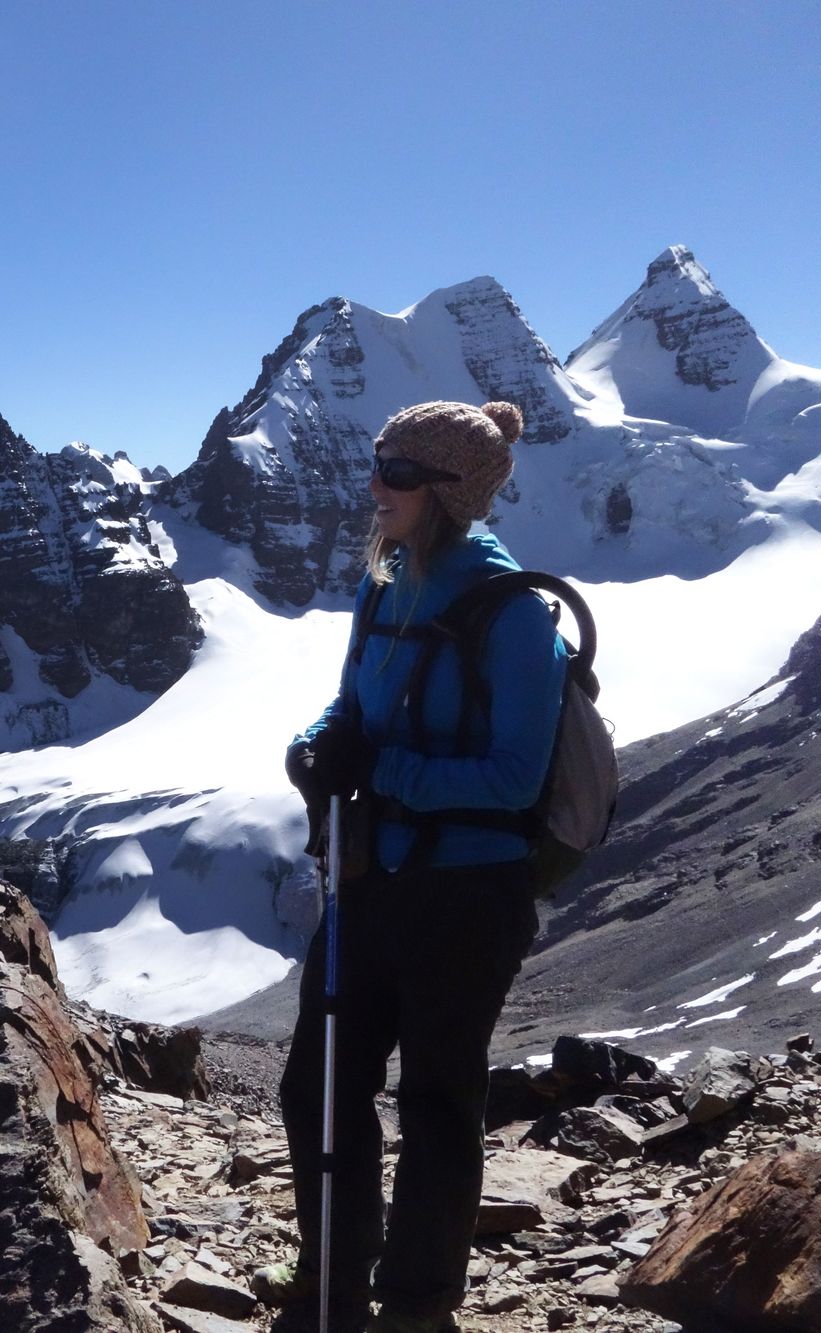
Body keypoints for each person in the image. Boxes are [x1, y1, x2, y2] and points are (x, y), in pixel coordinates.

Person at [255, 400, 567, 1333]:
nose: (375, 485)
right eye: (378, 463)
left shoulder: (514, 616)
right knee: (318, 1085)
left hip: (466, 897)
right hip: (374, 883)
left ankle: (417, 1306)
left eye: (395, 471)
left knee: (436, 1098)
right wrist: (318, 744)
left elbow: (515, 778)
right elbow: (353, 703)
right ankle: (332, 1287)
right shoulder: (386, 583)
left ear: (445, 491)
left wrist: (378, 770)